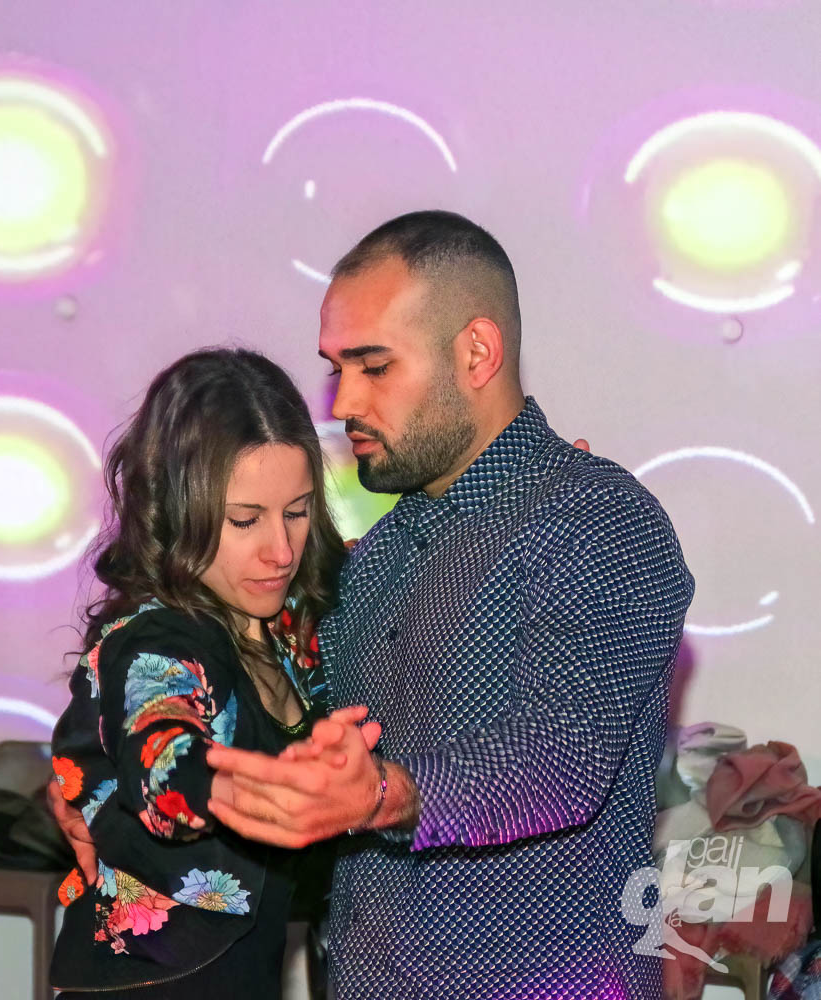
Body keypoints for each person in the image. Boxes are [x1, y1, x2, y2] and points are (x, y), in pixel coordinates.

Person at [204, 211, 696, 999]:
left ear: (476, 353)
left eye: (374, 366)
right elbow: (275, 717)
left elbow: (560, 756)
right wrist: (103, 774)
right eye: (337, 368)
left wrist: (384, 795)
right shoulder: (376, 556)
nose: (343, 402)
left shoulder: (597, 520)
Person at [48, 348, 361, 998]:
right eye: (245, 520)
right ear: (178, 510)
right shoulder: (157, 637)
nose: (280, 550)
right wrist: (227, 786)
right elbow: (160, 741)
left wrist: (548, 495)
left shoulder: (288, 617)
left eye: (297, 511)